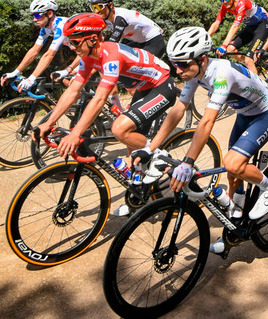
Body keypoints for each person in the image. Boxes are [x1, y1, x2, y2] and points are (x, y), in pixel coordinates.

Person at [131, 27, 268, 254]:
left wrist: (188, 162)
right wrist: (150, 148)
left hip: (265, 114)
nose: (177, 70)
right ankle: (235, 227)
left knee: (233, 164)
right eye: (174, 64)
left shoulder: (221, 73)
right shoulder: (195, 74)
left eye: (182, 64)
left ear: (202, 59)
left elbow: (206, 121)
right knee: (233, 176)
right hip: (245, 115)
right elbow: (178, 109)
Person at [33, 13, 177, 214]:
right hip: (144, 86)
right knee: (130, 149)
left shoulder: (111, 55)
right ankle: (140, 195)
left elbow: (100, 98)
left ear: (93, 39)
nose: (72, 48)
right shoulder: (89, 58)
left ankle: (161, 156)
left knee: (120, 129)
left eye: (75, 42)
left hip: (162, 84)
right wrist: (49, 122)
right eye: (69, 43)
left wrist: (75, 134)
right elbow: (73, 90)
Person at [87, 0, 166, 110]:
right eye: (94, 7)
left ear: (110, 5)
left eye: (100, 7)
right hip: (139, 43)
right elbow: (97, 44)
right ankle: (118, 111)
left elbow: (112, 44)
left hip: (154, 42)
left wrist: (91, 69)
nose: (97, 11)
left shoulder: (120, 18)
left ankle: (148, 105)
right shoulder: (104, 19)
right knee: (114, 69)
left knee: (131, 74)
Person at [0, 0, 74, 91]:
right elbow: (34, 51)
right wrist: (15, 72)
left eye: (37, 15)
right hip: (83, 56)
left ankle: (89, 100)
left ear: (50, 13)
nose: (35, 19)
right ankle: (85, 98)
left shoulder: (62, 25)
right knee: (56, 77)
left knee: (74, 84)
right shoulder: (46, 29)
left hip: (92, 55)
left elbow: (49, 54)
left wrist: (31, 79)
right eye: (33, 16)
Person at [207, 0, 268, 74]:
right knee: (231, 49)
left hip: (262, 27)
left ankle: (258, 86)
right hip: (250, 27)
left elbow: (235, 26)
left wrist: (224, 45)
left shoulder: (241, 4)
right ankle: (250, 66)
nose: (224, 2)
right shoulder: (225, 6)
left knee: (248, 60)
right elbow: (216, 23)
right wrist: (205, 37)